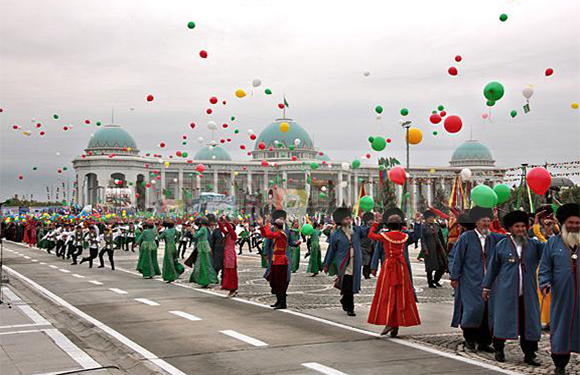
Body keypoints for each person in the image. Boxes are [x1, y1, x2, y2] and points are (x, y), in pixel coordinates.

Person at [482, 210, 544, 366]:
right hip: (506, 292)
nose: (521, 229)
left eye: (523, 226)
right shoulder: (501, 245)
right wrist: (486, 287)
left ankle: (530, 353)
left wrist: (544, 231)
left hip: (528, 293)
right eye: (517, 226)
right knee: (502, 320)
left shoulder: (534, 244)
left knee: (528, 323)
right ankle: (499, 349)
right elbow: (493, 268)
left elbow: (549, 253)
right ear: (510, 228)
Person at [449, 206, 505, 352]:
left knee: (488, 311)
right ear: (476, 222)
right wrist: (454, 277)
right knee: (472, 310)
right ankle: (469, 339)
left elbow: (508, 238)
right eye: (483, 221)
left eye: (488, 221)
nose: (486, 223)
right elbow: (457, 258)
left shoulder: (494, 237)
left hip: (490, 283)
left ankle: (484, 342)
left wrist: (497, 220)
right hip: (470, 282)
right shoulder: (466, 237)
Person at [539, 203, 580, 375]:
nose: (574, 226)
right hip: (562, 295)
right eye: (571, 223)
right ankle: (560, 364)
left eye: (578, 223)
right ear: (563, 223)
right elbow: (545, 267)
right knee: (561, 328)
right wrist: (545, 282)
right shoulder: (553, 244)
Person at [368, 211, 421, 336]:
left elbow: (371, 235)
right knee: (401, 295)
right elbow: (417, 235)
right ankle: (396, 323)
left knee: (387, 294)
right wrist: (417, 222)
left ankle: (391, 322)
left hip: (389, 268)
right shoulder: (405, 236)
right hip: (402, 268)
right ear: (400, 224)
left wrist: (376, 223)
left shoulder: (385, 236)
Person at [324, 207, 369, 317]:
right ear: (341, 221)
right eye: (346, 219)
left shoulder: (357, 230)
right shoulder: (336, 235)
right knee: (348, 284)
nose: (349, 221)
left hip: (355, 263)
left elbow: (368, 231)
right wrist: (326, 264)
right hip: (344, 264)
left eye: (349, 219)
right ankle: (350, 308)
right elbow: (331, 250)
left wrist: (376, 222)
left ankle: (345, 300)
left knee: (351, 285)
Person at [258, 210, 299, 309]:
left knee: (280, 282)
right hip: (276, 260)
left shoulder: (280, 234)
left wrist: (265, 224)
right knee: (276, 281)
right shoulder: (280, 232)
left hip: (281, 261)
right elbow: (267, 236)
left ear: (276, 227)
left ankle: (282, 302)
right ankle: (279, 301)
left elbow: (268, 235)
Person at [532, 206, 559, 330]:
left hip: (556, 267)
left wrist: (554, 222)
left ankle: (552, 319)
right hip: (540, 266)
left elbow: (559, 236)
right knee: (542, 293)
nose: (546, 220)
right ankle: (541, 319)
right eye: (544, 218)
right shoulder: (533, 232)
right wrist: (536, 222)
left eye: (548, 217)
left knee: (554, 294)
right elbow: (545, 245)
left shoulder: (554, 231)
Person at [421, 210, 448, 288]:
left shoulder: (436, 226)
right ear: (426, 219)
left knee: (442, 266)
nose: (431, 219)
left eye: (432, 217)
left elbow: (441, 237)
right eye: (429, 218)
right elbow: (422, 239)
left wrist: (444, 247)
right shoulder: (423, 227)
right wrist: (425, 249)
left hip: (439, 249)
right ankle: (430, 282)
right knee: (430, 267)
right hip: (429, 249)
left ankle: (435, 280)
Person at [190, 216, 218, 287]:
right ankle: (205, 280)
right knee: (205, 263)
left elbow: (196, 236)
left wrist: (192, 232)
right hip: (204, 246)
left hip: (203, 247)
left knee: (203, 264)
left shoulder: (203, 228)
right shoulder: (205, 228)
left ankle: (205, 281)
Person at [218, 215, 238, 297]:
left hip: (231, 256)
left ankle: (233, 289)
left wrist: (225, 221)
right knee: (227, 273)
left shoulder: (233, 235)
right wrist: (219, 221)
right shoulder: (227, 234)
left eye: (230, 226)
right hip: (227, 256)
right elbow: (222, 229)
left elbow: (228, 228)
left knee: (232, 273)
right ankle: (230, 289)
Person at [208, 214, 225, 279]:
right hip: (217, 251)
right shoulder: (216, 231)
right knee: (216, 266)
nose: (223, 223)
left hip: (225, 251)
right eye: (222, 222)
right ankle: (214, 278)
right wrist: (211, 249)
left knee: (224, 266)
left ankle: (223, 278)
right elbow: (212, 241)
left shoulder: (228, 231)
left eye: (224, 222)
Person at [360, 212, 375, 279]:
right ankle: (365, 273)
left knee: (370, 261)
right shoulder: (363, 228)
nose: (371, 222)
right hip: (364, 246)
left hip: (372, 246)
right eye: (370, 220)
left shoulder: (374, 228)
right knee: (366, 261)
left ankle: (367, 273)